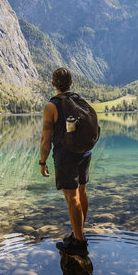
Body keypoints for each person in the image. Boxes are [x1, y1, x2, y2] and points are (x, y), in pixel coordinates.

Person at [39, 68, 92, 256]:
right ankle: (79, 233)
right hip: (85, 152)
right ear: (71, 83)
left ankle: (79, 242)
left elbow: (46, 139)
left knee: (72, 198)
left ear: (53, 84)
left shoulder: (51, 107)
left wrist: (42, 162)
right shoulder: (79, 101)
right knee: (82, 191)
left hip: (66, 156)